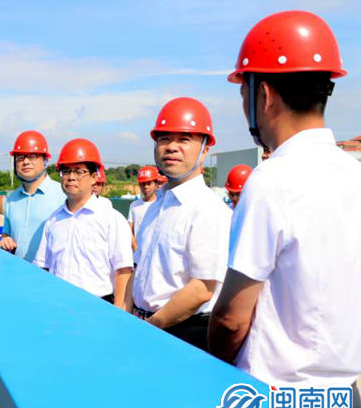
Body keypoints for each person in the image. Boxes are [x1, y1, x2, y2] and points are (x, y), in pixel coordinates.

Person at [208, 10, 361, 408]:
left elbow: (231, 318)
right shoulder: (359, 177)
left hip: (275, 401)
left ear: (263, 95)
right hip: (344, 400)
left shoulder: (272, 181)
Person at [128, 97, 232, 351]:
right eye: (164, 139)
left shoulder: (208, 209)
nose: (172, 147)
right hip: (147, 325)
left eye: (184, 140)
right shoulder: (156, 207)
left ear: (205, 149)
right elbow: (138, 268)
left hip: (184, 332)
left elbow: (202, 289)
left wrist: (150, 326)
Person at [34, 138, 133, 307]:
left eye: (79, 172)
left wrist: (119, 314)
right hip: (58, 305)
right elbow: (43, 267)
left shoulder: (111, 219)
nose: (71, 177)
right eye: (66, 171)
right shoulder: (53, 221)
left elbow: (123, 271)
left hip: (98, 306)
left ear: (94, 177)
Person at [0, 130, 65, 262]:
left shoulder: (63, 195)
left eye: (32, 156)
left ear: (45, 160)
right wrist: (5, 239)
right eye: (21, 158)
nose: (26, 162)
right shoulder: (12, 199)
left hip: (50, 276)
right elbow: (7, 233)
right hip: (18, 273)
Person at [127, 166, 159, 249]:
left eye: (149, 183)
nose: (145, 187)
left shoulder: (161, 205)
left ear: (156, 184)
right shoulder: (134, 205)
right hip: (138, 255)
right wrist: (136, 249)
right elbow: (129, 231)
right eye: (143, 184)